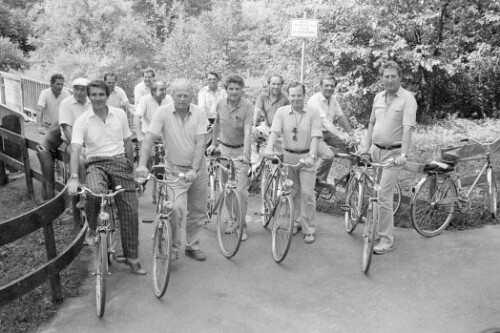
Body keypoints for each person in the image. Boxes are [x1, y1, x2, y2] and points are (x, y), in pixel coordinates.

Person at [67, 80, 146, 275]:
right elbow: (75, 149)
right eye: (93, 94)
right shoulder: (82, 120)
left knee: (130, 208)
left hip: (119, 161)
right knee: (94, 192)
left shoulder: (119, 114)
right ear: (88, 96)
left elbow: (128, 142)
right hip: (96, 163)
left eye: (101, 94)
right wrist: (74, 177)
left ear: (107, 95)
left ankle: (131, 257)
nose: (97, 98)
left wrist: (132, 168)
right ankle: (93, 229)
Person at [136, 79, 209, 262]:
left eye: (186, 95)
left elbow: (201, 142)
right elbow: (149, 139)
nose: (182, 99)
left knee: (198, 210)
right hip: (174, 170)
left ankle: (192, 245)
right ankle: (173, 247)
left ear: (191, 95)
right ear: (172, 95)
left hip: (198, 169)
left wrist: (194, 168)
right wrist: (142, 165)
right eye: (179, 95)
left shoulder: (199, 112)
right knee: (175, 209)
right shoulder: (163, 112)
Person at [358, 61, 417, 254]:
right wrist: (366, 147)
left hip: (393, 154)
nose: (389, 79)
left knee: (383, 195)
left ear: (400, 77)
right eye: (386, 76)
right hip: (375, 150)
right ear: (381, 78)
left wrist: (403, 155)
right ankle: (376, 229)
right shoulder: (378, 97)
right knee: (375, 192)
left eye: (393, 76)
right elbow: (371, 123)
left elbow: (408, 129)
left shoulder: (408, 99)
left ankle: (386, 239)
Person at [264, 82, 322, 244]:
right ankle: (295, 222)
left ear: (304, 95)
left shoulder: (313, 112)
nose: (296, 98)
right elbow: (274, 131)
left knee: (307, 194)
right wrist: (269, 148)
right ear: (288, 96)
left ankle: (309, 228)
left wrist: (312, 155)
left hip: (306, 158)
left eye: (299, 95)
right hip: (288, 157)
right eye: (293, 95)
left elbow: (316, 136)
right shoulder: (281, 112)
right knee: (292, 192)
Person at [207, 74, 253, 241]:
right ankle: (233, 220)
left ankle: (242, 226)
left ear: (242, 90)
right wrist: (213, 144)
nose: (234, 92)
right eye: (231, 89)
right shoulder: (220, 104)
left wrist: (246, 155)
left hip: (241, 151)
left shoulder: (248, 106)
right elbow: (216, 124)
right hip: (224, 150)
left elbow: (248, 133)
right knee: (226, 189)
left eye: (237, 89)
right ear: (226, 90)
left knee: (241, 191)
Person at [308, 73, 356, 187]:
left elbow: (341, 117)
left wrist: (351, 134)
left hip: (328, 133)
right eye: (327, 85)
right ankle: (315, 182)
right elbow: (324, 122)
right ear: (320, 86)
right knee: (328, 156)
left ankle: (351, 182)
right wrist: (341, 135)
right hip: (314, 134)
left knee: (353, 148)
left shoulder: (333, 99)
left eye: (332, 86)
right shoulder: (315, 100)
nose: (330, 88)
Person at [134, 80, 173, 205]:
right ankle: (141, 184)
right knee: (148, 159)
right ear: (153, 92)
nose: (164, 92)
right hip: (148, 135)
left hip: (165, 136)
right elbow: (136, 116)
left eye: (165, 89)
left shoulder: (169, 99)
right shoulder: (145, 100)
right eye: (161, 89)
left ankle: (163, 189)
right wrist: (139, 135)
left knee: (167, 161)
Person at [251, 75, 289, 171]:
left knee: (284, 153)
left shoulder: (285, 98)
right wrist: (254, 125)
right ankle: (255, 164)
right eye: (273, 84)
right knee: (250, 135)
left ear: (282, 85)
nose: (276, 86)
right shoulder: (263, 96)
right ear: (269, 84)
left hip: (280, 130)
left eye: (278, 84)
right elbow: (257, 110)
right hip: (266, 126)